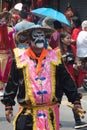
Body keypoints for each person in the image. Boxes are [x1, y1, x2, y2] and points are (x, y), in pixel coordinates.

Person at [1, 25, 85, 130]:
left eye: (42, 36)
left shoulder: (54, 57)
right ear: (28, 40)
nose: (39, 39)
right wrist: (8, 105)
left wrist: (75, 100)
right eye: (36, 36)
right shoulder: (20, 58)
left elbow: (66, 79)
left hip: (50, 113)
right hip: (28, 114)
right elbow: (12, 82)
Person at [59, 31, 87, 129]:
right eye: (67, 38)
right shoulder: (56, 50)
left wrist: (77, 64)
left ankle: (78, 121)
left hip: (71, 78)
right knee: (56, 101)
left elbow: (76, 60)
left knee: (76, 99)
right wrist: (61, 59)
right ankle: (55, 120)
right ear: (62, 40)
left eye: (70, 38)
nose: (70, 40)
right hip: (59, 79)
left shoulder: (73, 48)